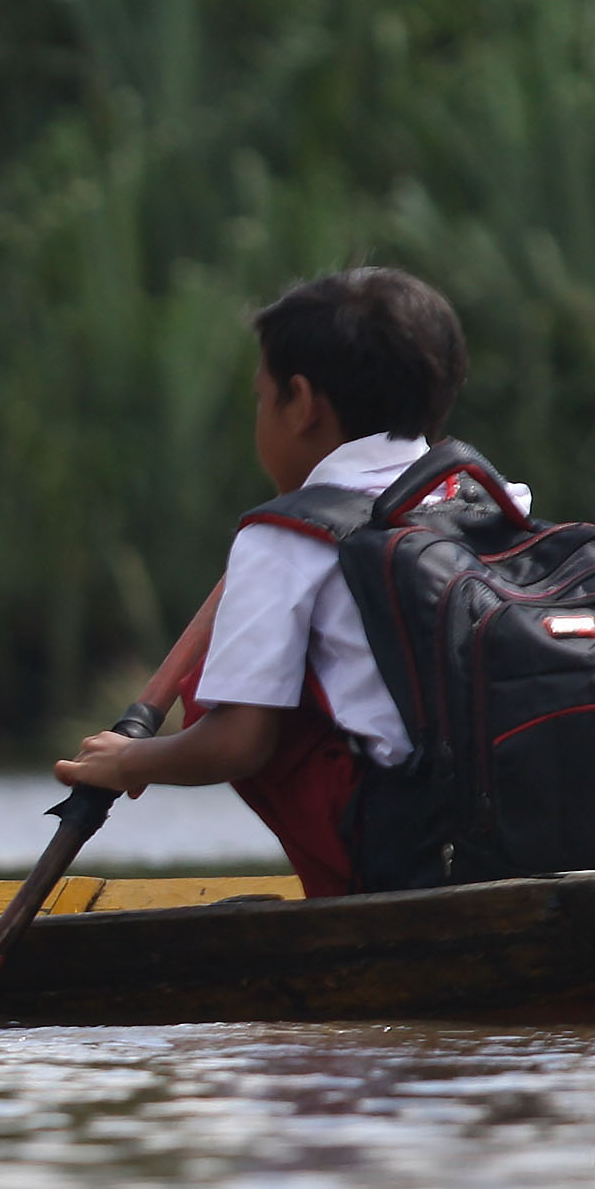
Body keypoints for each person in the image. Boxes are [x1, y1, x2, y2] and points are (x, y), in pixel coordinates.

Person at [52, 266, 527, 897]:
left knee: (212, 689)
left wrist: (129, 761)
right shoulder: (493, 497)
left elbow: (240, 744)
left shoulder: (282, 536)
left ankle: (345, 898)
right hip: (513, 822)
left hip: (399, 847)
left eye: (260, 396)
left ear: (299, 403)